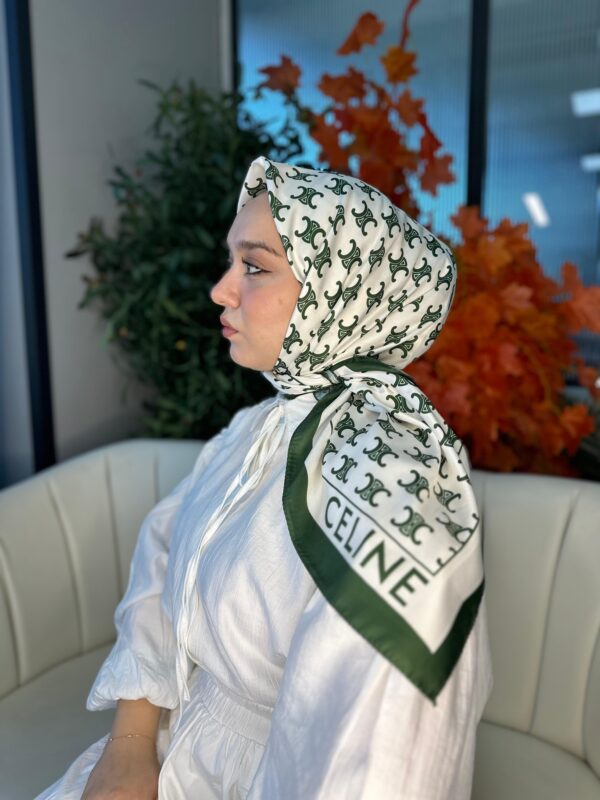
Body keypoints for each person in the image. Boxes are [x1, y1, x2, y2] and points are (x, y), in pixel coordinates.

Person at [35, 155, 493, 800]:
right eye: (232, 262)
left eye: (254, 266)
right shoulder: (258, 428)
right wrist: (130, 745)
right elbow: (163, 554)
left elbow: (382, 757)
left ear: (338, 289)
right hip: (167, 752)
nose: (221, 290)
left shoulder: (391, 484)